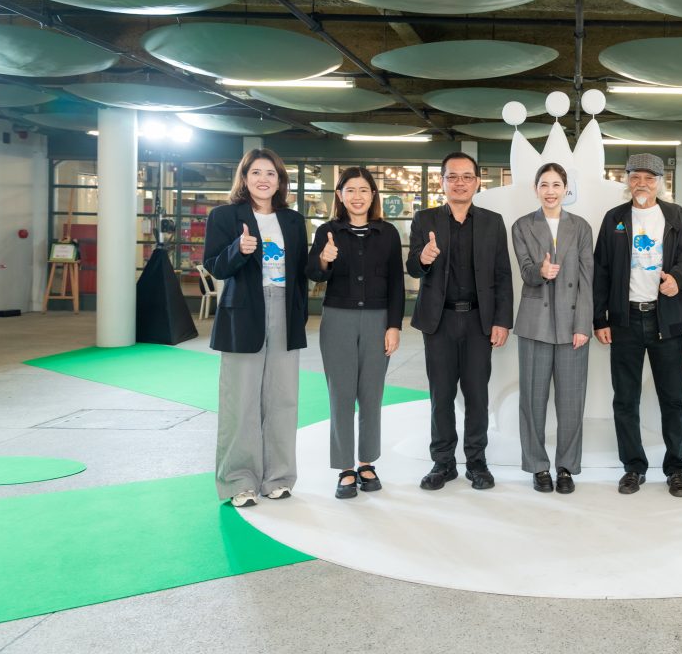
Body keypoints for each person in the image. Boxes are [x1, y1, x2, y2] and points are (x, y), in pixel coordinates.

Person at [203, 148, 308, 508]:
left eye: (271, 173)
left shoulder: (292, 220)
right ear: (245, 178)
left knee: (283, 398)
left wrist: (300, 310)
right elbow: (215, 265)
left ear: (280, 181)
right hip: (243, 313)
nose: (264, 179)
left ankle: (279, 477)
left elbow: (302, 273)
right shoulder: (224, 216)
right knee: (241, 400)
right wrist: (238, 249)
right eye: (256, 172)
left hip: (284, 311)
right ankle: (239, 481)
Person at [593, 152, 682, 497]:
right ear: (627, 180)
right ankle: (633, 467)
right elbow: (601, 269)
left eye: (649, 178)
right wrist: (600, 318)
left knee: (674, 399)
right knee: (625, 399)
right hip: (625, 320)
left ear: (659, 182)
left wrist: (678, 278)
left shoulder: (675, 216)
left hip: (665, 319)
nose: (642, 184)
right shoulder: (615, 219)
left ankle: (676, 468)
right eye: (635, 177)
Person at [407, 152, 513, 491]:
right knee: (441, 395)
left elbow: (502, 274)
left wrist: (502, 321)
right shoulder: (425, 219)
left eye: (467, 176)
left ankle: (477, 461)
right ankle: (443, 462)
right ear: (442, 182)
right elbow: (412, 267)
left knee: (477, 395)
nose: (460, 182)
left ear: (478, 182)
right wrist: (423, 258)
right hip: (439, 321)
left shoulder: (493, 222)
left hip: (479, 321)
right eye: (452, 176)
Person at [307, 166, 405, 500]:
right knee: (341, 394)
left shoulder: (388, 233)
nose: (357, 196)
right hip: (338, 319)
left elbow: (396, 283)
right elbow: (313, 273)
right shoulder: (327, 231)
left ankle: (367, 462)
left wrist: (394, 325)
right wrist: (324, 258)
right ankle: (345, 467)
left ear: (373, 195)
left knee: (371, 394)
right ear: (340, 195)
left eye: (364, 190)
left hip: (378, 319)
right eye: (350, 190)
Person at [511, 163, 594, 494]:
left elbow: (587, 279)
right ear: (535, 189)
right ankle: (537, 466)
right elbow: (525, 270)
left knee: (571, 402)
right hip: (535, 324)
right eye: (544, 185)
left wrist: (583, 324)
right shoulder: (522, 225)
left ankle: (566, 468)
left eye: (556, 185)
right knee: (532, 401)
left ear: (565, 189)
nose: (550, 191)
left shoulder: (581, 227)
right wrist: (540, 272)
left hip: (573, 325)